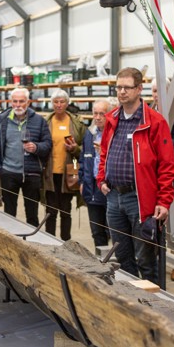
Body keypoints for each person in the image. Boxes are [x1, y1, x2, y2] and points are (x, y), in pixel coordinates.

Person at [97, 67, 174, 284]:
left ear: (139, 89)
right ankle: (132, 303)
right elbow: (105, 152)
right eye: (118, 87)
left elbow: (167, 165)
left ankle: (155, 306)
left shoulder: (154, 122)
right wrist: (101, 178)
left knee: (146, 259)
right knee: (122, 256)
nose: (122, 92)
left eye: (127, 87)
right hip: (114, 197)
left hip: (140, 200)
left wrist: (164, 200)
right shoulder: (112, 119)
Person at [0, 88, 52, 227]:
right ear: (11, 102)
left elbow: (48, 144)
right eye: (15, 101)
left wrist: (36, 147)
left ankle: (33, 244)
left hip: (31, 174)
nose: (18, 105)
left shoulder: (39, 121)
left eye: (21, 101)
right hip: (8, 172)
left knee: (32, 215)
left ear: (28, 102)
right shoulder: (2, 119)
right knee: (9, 214)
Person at [151, 78, 174, 282]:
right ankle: (158, 260)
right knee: (156, 221)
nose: (156, 94)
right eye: (154, 90)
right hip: (152, 177)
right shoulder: (147, 111)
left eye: (160, 90)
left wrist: (158, 144)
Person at [43, 89, 87, 240]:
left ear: (67, 103)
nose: (59, 105)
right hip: (49, 172)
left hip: (70, 170)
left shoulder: (76, 123)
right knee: (50, 210)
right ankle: (49, 240)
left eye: (62, 102)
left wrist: (75, 148)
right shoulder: (46, 122)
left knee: (66, 210)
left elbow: (84, 149)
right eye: (56, 102)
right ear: (52, 104)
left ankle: (66, 241)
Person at [79, 99, 115, 249]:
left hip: (110, 188)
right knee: (96, 231)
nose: (98, 117)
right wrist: (80, 180)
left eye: (102, 113)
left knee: (113, 232)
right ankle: (101, 263)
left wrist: (106, 153)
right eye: (95, 113)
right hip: (92, 187)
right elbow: (81, 159)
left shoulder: (115, 134)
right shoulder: (90, 134)